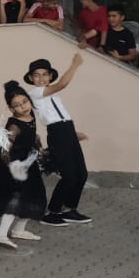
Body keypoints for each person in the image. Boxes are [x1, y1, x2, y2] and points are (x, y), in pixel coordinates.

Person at [25, 56, 91, 227]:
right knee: (69, 176)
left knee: (81, 174)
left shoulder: (53, 95)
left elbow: (58, 116)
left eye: (45, 74)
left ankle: (69, 209)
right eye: (37, 75)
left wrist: (73, 133)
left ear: (50, 76)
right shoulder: (34, 93)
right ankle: (52, 213)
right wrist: (75, 65)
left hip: (67, 132)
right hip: (57, 135)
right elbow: (62, 84)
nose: (41, 79)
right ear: (31, 78)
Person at [0, 82, 48, 249]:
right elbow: (5, 149)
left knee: (35, 195)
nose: (23, 107)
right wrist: (13, 168)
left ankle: (19, 230)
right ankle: (1, 234)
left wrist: (38, 146)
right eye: (17, 106)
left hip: (27, 161)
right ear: (11, 109)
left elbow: (32, 134)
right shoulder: (14, 125)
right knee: (16, 198)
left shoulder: (31, 115)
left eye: (25, 102)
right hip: (13, 164)